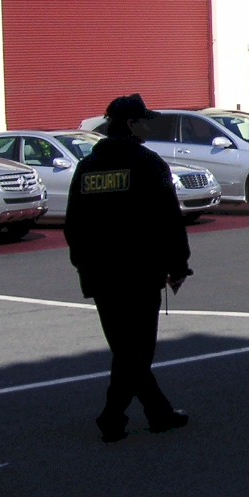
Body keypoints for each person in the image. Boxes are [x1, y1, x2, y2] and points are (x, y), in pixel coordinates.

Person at [64, 93, 193, 443]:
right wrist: (178, 264)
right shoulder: (148, 163)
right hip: (139, 272)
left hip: (100, 274)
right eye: (144, 120)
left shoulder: (87, 167)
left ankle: (157, 413)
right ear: (131, 124)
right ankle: (112, 416)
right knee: (138, 351)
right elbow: (168, 219)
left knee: (125, 349)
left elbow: (73, 224)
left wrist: (82, 263)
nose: (149, 126)